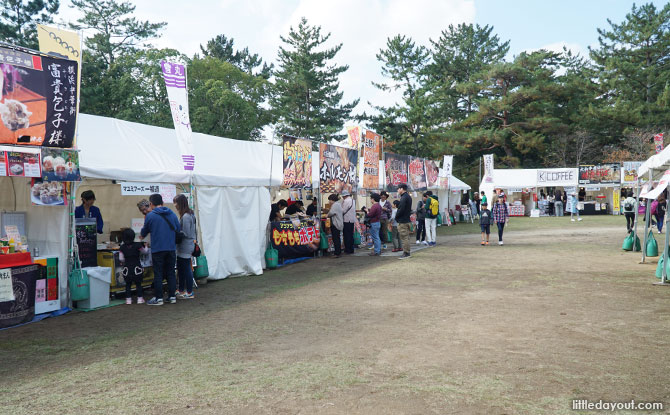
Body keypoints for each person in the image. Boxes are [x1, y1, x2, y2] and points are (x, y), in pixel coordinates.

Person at [140, 193, 180, 306]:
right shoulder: (171, 213)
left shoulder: (150, 216)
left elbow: (144, 231)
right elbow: (177, 228)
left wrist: (142, 236)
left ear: (151, 204)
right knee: (171, 272)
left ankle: (159, 298)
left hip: (158, 249)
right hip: (171, 248)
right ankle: (172, 296)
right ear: (162, 202)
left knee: (158, 273)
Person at [174, 194, 196, 300]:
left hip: (185, 246)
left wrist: (177, 232)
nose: (175, 205)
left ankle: (189, 291)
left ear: (180, 203)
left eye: (176, 202)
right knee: (182, 269)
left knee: (186, 269)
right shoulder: (190, 214)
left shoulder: (186, 216)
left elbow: (186, 233)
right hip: (187, 245)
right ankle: (182, 289)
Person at [119, 228, 149, 304]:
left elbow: (121, 259)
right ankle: (139, 299)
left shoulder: (122, 247)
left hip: (127, 269)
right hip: (137, 268)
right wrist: (146, 246)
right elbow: (145, 252)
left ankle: (128, 299)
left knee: (128, 285)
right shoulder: (138, 245)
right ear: (133, 236)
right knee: (138, 284)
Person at [396, 184, 413, 259]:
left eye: (398, 189)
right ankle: (407, 252)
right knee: (406, 237)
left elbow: (401, 209)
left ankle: (406, 253)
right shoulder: (408, 197)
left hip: (403, 220)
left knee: (404, 237)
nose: (397, 190)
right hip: (407, 219)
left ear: (402, 189)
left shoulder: (404, 197)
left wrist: (396, 216)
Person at [326, 194, 343, 258]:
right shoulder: (338, 204)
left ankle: (337, 253)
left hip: (336, 224)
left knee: (336, 239)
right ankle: (338, 252)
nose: (329, 202)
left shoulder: (335, 205)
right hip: (339, 223)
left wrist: (327, 215)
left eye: (329, 200)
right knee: (337, 238)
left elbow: (331, 213)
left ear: (332, 200)